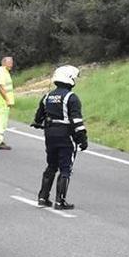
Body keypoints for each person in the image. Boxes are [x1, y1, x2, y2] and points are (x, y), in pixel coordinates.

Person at [33, 66, 88, 210]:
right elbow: (77, 122)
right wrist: (83, 139)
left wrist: (39, 123)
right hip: (66, 136)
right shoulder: (72, 97)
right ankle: (60, 201)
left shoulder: (47, 97)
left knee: (51, 165)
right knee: (65, 168)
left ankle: (43, 198)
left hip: (49, 135)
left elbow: (38, 118)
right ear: (69, 79)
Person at [0, 57, 15, 150]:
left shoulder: (5, 72)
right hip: (1, 102)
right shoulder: (1, 72)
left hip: (3, 102)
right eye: (10, 63)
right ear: (4, 63)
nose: (11, 64)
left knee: (2, 122)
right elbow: (0, 87)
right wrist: (7, 99)